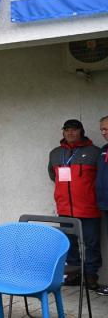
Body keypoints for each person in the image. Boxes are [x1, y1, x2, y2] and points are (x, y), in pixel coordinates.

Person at [48, 119, 102, 290]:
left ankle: (91, 275)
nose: (70, 133)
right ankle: (73, 274)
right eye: (67, 130)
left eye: (74, 130)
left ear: (81, 131)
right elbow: (52, 175)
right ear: (63, 132)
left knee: (91, 243)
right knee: (68, 242)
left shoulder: (95, 152)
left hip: (89, 207)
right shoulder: (56, 153)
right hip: (65, 208)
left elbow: (101, 178)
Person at [95, 116, 108, 296]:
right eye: (102, 130)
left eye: (106, 129)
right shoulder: (104, 150)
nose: (104, 133)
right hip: (105, 205)